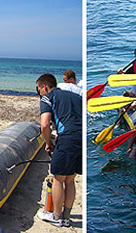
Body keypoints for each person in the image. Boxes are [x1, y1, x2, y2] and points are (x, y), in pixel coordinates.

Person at [34, 74, 82, 227]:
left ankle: (56, 216)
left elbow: (45, 124)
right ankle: (66, 217)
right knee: (69, 179)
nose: (39, 93)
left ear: (45, 87)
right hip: (81, 138)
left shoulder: (47, 98)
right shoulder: (76, 96)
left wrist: (48, 143)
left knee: (58, 178)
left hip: (67, 138)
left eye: (38, 89)